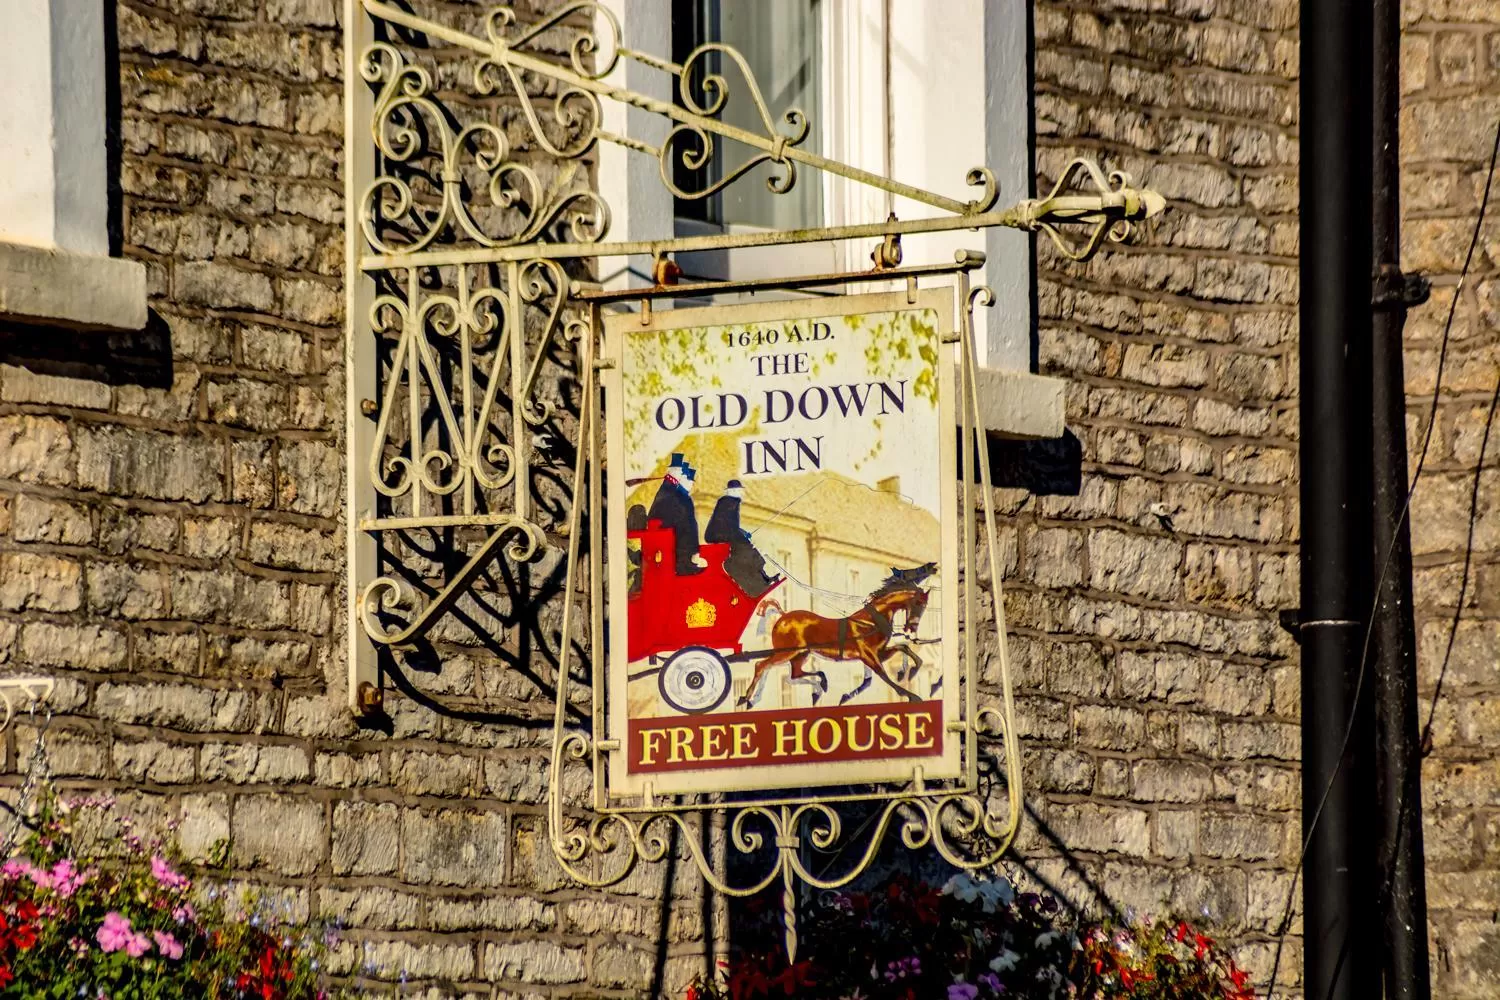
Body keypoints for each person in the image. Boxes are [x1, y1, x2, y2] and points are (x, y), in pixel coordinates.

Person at [705, 479, 776, 594]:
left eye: (739, 491)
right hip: (720, 535)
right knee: (748, 551)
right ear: (731, 491)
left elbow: (732, 525)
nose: (740, 493)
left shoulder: (729, 502)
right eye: (738, 491)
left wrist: (743, 533)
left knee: (749, 550)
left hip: (724, 534)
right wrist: (743, 537)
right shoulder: (730, 502)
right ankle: (761, 582)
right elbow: (729, 526)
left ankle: (763, 579)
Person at [647, 453, 702, 575]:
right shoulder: (669, 490)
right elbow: (662, 510)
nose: (690, 484)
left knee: (686, 526)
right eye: (679, 471)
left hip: (670, 528)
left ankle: (687, 561)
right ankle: (684, 563)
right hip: (663, 529)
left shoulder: (673, 490)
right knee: (685, 528)